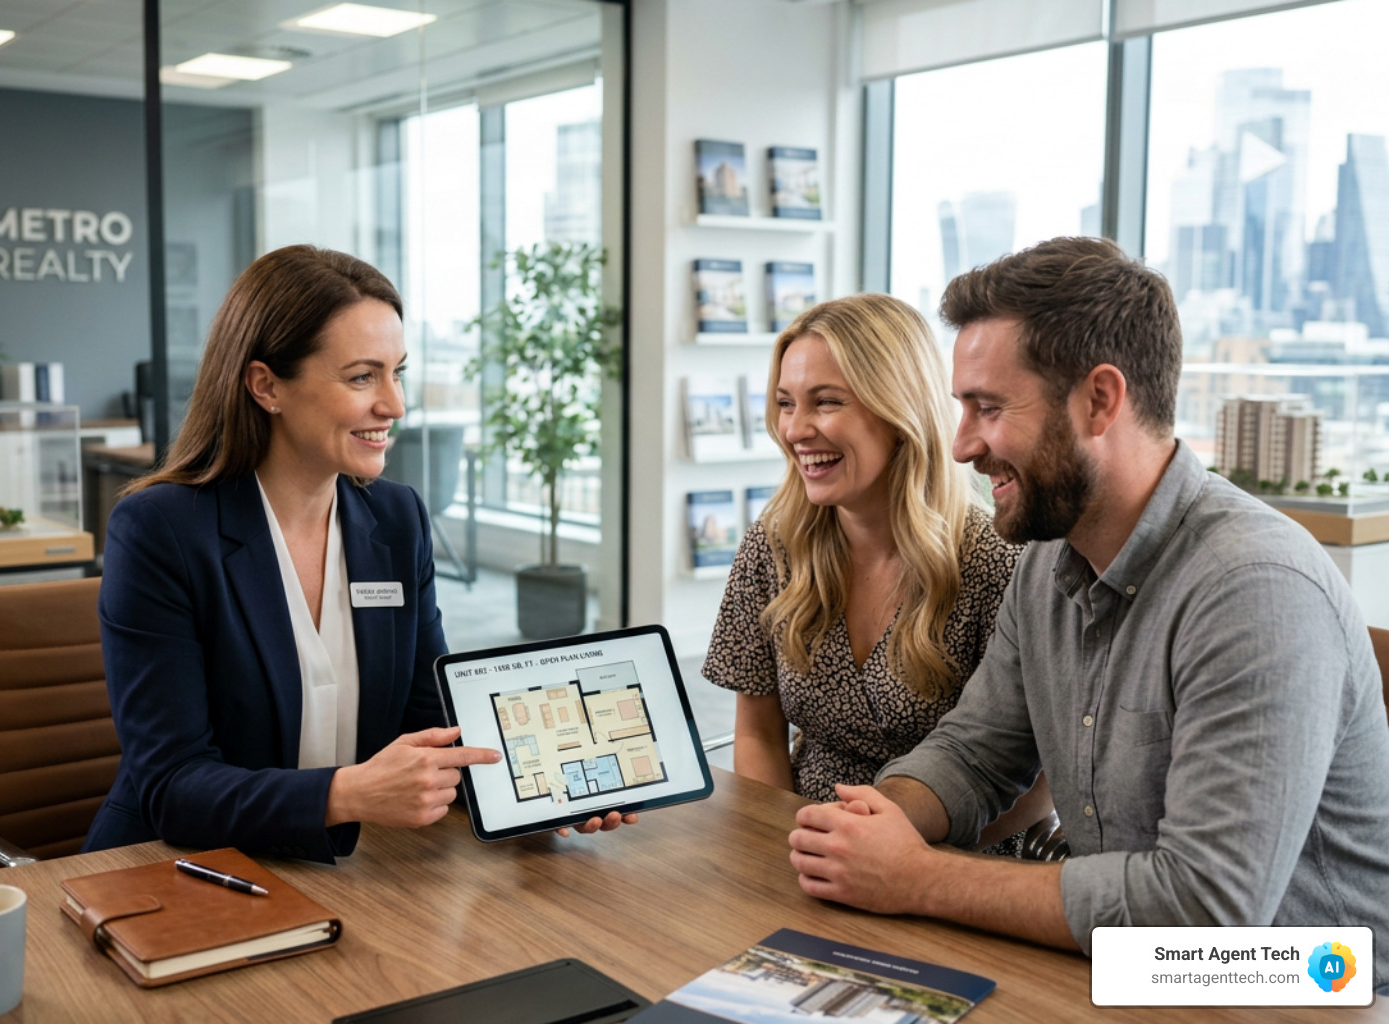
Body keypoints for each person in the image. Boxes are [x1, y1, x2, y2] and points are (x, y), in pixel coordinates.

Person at [788, 237, 1389, 989]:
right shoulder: (1047, 560)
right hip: (1126, 972)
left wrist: (918, 878)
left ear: (1101, 400)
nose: (963, 445)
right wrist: (872, 826)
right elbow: (975, 753)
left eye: (988, 408)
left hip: (1301, 988)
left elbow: (1208, 915)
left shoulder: (1256, 589)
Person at [84, 245, 628, 863]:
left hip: (348, 867)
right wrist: (346, 794)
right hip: (181, 868)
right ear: (266, 386)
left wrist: (539, 788)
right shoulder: (161, 530)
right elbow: (173, 786)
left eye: (398, 373)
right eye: (363, 377)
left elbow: (430, 723)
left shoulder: (396, 519)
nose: (394, 405)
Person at [702, 293, 1049, 851]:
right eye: (786, 403)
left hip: (955, 858)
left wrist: (903, 862)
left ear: (899, 410)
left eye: (826, 402)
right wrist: (786, 849)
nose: (795, 430)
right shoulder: (774, 545)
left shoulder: (999, 562)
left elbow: (1039, 781)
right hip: (806, 841)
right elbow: (759, 734)